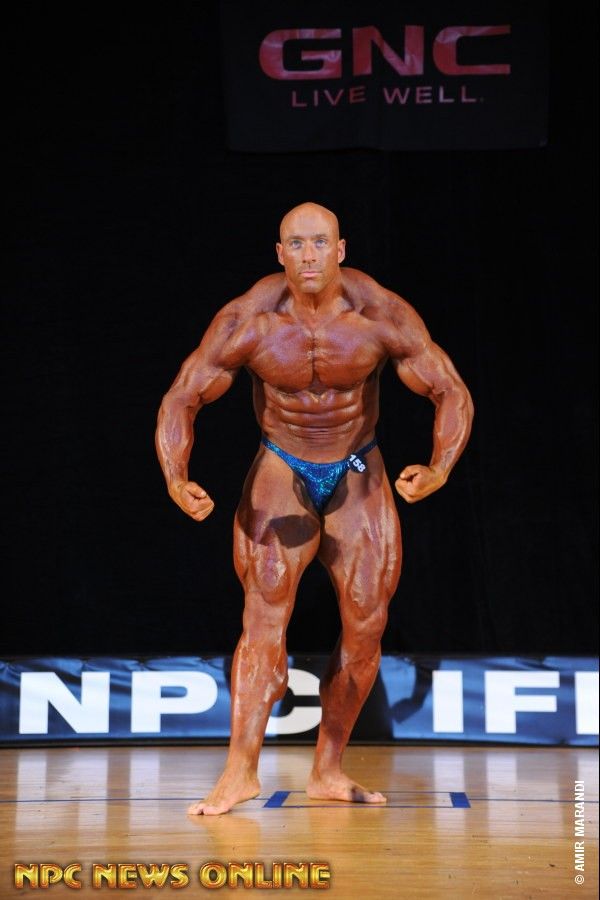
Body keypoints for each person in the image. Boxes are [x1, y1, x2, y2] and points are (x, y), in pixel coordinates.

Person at [155, 202, 473, 815]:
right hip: (283, 464)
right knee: (262, 617)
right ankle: (239, 773)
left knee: (367, 624)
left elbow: (448, 389)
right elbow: (183, 395)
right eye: (296, 244)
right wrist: (175, 475)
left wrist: (440, 467)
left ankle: (328, 768)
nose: (308, 255)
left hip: (357, 466)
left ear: (341, 249)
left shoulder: (379, 315)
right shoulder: (249, 321)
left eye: (320, 243)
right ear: (280, 253)